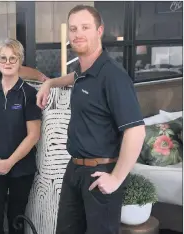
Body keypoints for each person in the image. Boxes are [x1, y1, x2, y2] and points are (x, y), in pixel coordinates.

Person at [36, 5, 146, 234]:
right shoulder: (84, 71)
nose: (78, 34)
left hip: (100, 173)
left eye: (85, 27)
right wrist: (49, 83)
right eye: (73, 29)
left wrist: (116, 178)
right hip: (74, 169)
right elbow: (74, 77)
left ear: (99, 31)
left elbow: (136, 131)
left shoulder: (113, 76)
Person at [0, 38, 42, 234]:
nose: (8, 62)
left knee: (17, 219)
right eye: (3, 58)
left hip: (21, 168)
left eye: (13, 58)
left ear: (20, 61)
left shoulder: (29, 94)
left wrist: (10, 162)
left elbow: (33, 135)